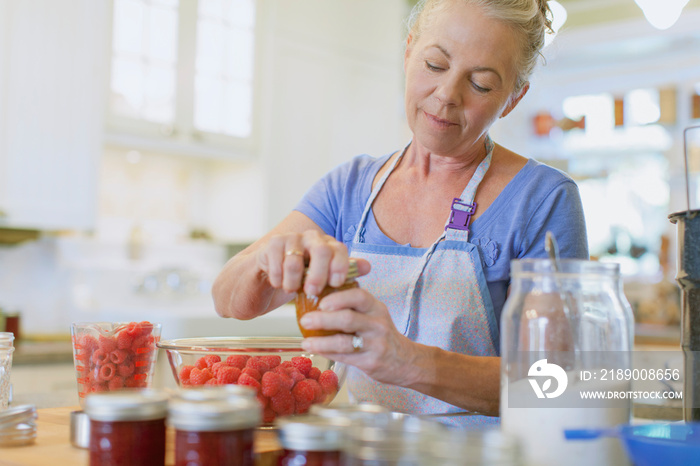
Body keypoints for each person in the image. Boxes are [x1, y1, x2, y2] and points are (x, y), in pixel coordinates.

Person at [212, 0, 588, 426]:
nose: (446, 95)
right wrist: (272, 260)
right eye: (434, 64)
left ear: (513, 98)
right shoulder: (349, 187)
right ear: (408, 52)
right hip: (360, 450)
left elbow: (558, 385)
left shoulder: (542, 200)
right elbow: (228, 298)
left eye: (481, 84)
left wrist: (408, 362)